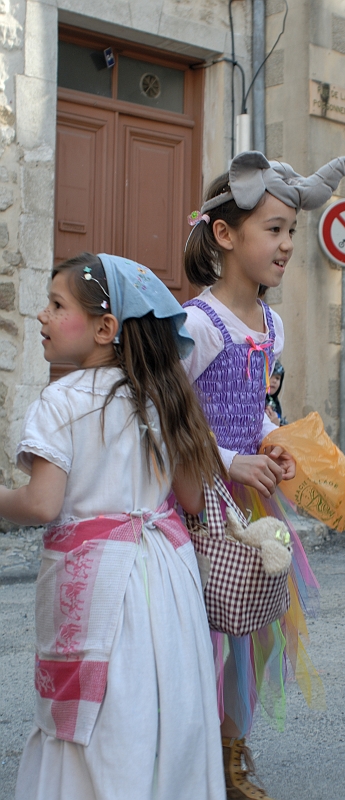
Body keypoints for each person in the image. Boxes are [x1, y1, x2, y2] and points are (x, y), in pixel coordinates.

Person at [9, 253, 227, 800]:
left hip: (96, 584)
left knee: (94, 716)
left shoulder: (61, 400)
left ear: (106, 328)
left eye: (57, 305)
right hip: (169, 580)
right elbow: (192, 497)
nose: (42, 315)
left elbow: (41, 504)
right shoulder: (163, 398)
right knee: (165, 702)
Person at [183, 150, 345, 799]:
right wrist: (228, 458)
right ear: (225, 234)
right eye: (274, 229)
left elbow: (258, 403)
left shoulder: (271, 324)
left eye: (292, 229)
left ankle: (231, 753)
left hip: (253, 503)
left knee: (255, 632)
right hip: (199, 500)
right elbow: (166, 414)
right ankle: (189, 757)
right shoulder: (197, 324)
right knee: (201, 634)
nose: (288, 243)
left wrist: (269, 441)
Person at [265, 360, 287, 426]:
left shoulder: (275, 403)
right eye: (271, 376)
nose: (274, 381)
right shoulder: (257, 402)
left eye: (277, 378)